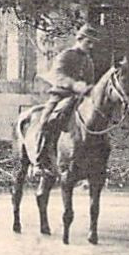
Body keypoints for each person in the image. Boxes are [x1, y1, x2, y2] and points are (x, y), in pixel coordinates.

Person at [30, 23, 102, 172]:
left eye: (93, 43)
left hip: (81, 99)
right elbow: (58, 75)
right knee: (46, 121)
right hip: (61, 95)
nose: (91, 46)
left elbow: (90, 81)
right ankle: (39, 161)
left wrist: (90, 89)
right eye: (88, 42)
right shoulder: (66, 55)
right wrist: (74, 85)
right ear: (79, 39)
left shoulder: (89, 61)